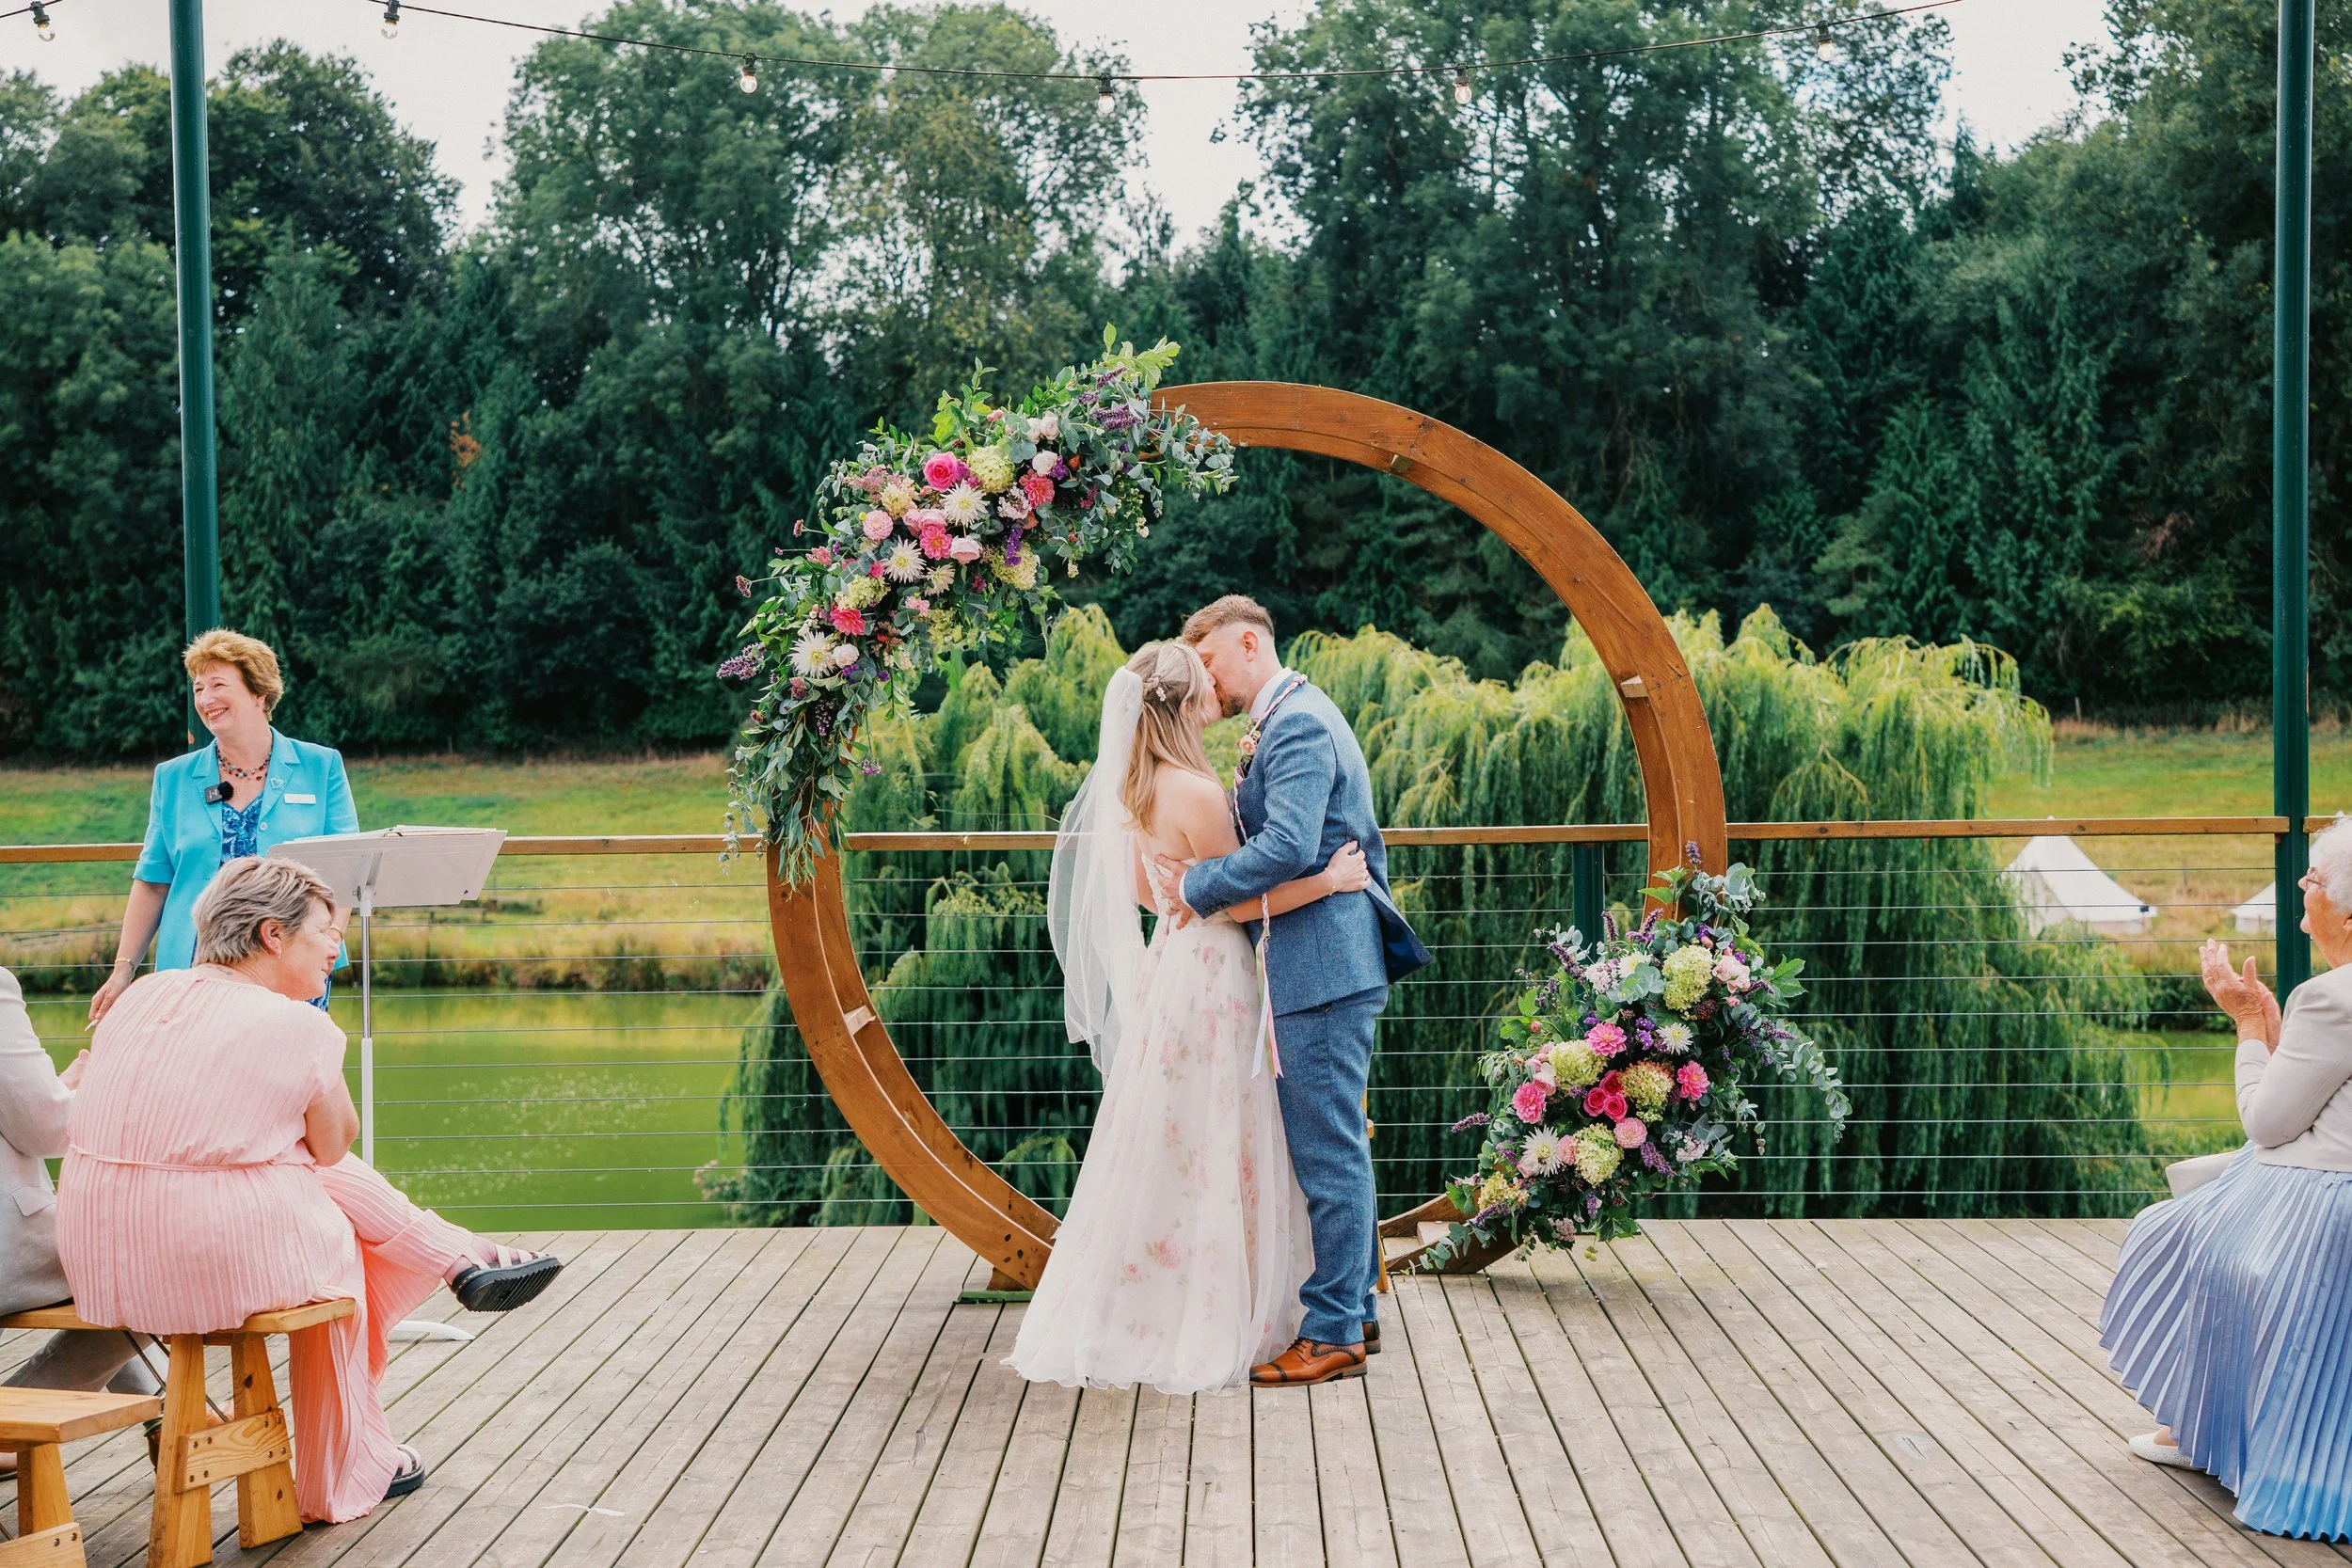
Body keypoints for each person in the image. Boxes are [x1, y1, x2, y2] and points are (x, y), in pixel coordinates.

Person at [57, 857, 562, 1523]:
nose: (336, 947)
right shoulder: (296, 1026)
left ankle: (457, 1257)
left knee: (285, 1165)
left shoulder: (142, 997)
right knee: (339, 1247)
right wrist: (318, 1035)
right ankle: (346, 1462)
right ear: (273, 934)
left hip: (99, 1259)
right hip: (196, 1263)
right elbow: (333, 1144)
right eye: (325, 930)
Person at [1009, 641, 1370, 1392]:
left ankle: (1162, 1300)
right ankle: (1266, 1307)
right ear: (1183, 705)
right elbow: (1234, 899)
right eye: (1204, 682)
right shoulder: (1198, 794)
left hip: (1174, 969)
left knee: (1172, 1135)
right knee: (1223, 1129)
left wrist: (1185, 897)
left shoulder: (1136, 789)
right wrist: (1329, 881)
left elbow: (1155, 894)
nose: (1217, 690)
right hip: (1218, 976)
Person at [1152, 596, 1432, 1388]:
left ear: (1249, 642)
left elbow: (1287, 844)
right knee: (1333, 1143)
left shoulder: (1301, 723)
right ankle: (1356, 1315)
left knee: (1329, 1151)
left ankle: (1335, 1330)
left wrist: (1196, 884)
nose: (1205, 678)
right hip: (1313, 964)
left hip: (1324, 969)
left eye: (1208, 660)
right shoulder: (1286, 719)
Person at [2100, 819, 2352, 1540]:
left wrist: (2246, 1026)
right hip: (2327, 1178)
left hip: (2326, 1204)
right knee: (2210, 1209)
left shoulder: (2332, 998)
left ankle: (2200, 1428)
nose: (2302, 887)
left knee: (2179, 1229)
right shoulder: (2327, 1003)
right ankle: (2205, 1424)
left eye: (2313, 881)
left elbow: (2267, 1123)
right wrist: (2279, 1036)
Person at [87, 629, 358, 1026]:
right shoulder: (173, 777)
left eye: (218, 685)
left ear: (259, 694)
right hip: (196, 968)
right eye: (198, 688)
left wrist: (331, 938)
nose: (205, 699)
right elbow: (153, 880)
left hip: (292, 961)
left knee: (289, 1079)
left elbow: (346, 868)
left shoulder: (322, 766)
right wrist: (124, 968)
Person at [0, 965, 159, 1423]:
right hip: (9, 1251)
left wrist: (58, 1089)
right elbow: (46, 1128)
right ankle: (14, 1421)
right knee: (156, 1272)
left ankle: (164, 1414)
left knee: (106, 1271)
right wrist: (90, 1086)